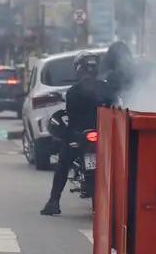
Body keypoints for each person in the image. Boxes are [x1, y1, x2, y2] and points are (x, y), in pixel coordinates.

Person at [41, 51, 119, 216]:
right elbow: (115, 110)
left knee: (63, 164)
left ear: (79, 69)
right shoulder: (106, 88)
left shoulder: (73, 91)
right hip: (104, 136)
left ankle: (53, 201)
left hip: (80, 136)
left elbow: (72, 117)